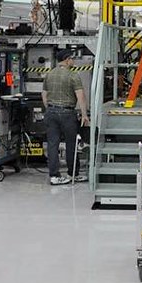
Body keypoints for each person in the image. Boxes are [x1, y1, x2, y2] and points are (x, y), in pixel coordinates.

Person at [41, 49, 91, 186]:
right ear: (67, 59)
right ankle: (72, 174)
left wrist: (49, 108)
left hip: (51, 112)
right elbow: (80, 96)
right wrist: (84, 114)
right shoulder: (73, 75)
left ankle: (54, 176)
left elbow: (44, 95)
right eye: (72, 59)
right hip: (67, 114)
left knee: (52, 144)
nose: (73, 61)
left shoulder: (49, 74)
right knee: (71, 144)